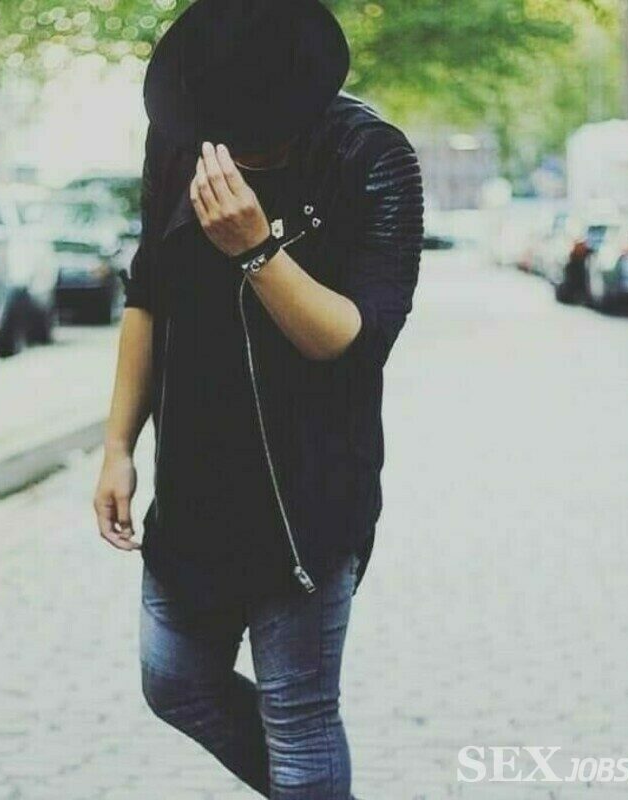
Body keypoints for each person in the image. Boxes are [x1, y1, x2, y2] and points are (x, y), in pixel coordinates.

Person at [93, 1, 424, 797]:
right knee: (173, 681)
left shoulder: (371, 156)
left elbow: (353, 340)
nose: (237, 149)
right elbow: (149, 292)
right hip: (193, 488)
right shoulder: (183, 137)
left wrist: (257, 248)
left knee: (299, 724)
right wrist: (117, 447)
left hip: (304, 500)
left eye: (257, 133)